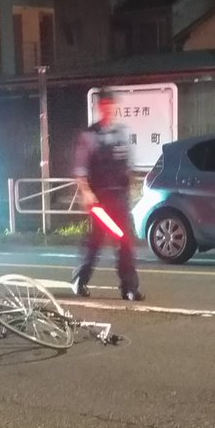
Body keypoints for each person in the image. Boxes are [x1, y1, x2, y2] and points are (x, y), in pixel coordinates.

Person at [72, 88, 144, 301]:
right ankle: (80, 280)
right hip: (99, 198)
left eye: (111, 105)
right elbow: (80, 169)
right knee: (95, 241)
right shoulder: (89, 136)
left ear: (114, 107)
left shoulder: (122, 133)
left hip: (120, 197)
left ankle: (129, 288)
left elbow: (129, 167)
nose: (108, 109)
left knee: (125, 242)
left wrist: (130, 193)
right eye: (104, 105)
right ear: (99, 107)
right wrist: (86, 193)